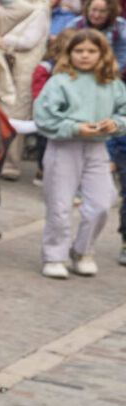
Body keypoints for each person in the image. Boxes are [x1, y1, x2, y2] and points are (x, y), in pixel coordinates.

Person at [34, 28, 126, 279]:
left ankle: (83, 250)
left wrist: (115, 124)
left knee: (102, 203)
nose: (85, 56)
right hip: (64, 147)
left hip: (97, 148)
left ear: (102, 53)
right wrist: (74, 127)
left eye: (91, 51)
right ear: (69, 53)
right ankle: (54, 255)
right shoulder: (60, 81)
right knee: (60, 204)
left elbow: (123, 112)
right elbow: (43, 117)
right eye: (79, 50)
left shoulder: (112, 83)